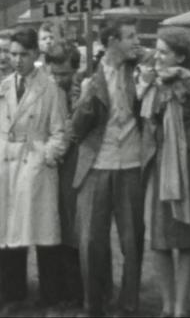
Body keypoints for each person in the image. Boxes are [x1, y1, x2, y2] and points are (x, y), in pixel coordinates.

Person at [139, 29, 190, 317]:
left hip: (188, 171)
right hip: (158, 167)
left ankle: (180, 306)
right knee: (160, 240)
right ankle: (166, 304)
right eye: (156, 50)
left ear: (181, 56)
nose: (157, 56)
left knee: (186, 240)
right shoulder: (153, 83)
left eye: (164, 52)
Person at [71, 18, 144, 317]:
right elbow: (76, 129)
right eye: (129, 37)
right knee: (90, 241)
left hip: (131, 163)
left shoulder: (139, 71)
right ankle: (94, 304)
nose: (135, 42)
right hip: (96, 164)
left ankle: (128, 303)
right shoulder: (87, 78)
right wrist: (87, 96)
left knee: (132, 239)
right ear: (112, 41)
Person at [0, 28, 66, 308]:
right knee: (7, 230)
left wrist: (46, 156)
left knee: (41, 229)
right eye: (13, 54)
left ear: (36, 55)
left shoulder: (50, 89)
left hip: (34, 162)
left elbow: (61, 132)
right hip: (5, 162)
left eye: (24, 54)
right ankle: (12, 292)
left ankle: (51, 295)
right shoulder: (3, 86)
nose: (17, 60)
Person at [46, 41, 84, 306]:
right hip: (50, 166)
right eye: (55, 73)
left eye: (65, 74)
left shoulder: (83, 92)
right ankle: (56, 291)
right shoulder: (46, 90)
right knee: (52, 227)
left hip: (77, 165)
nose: (60, 79)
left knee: (75, 231)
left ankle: (79, 292)